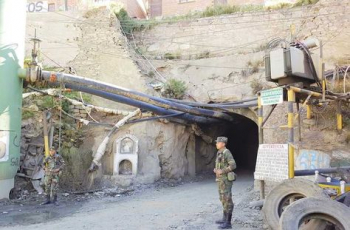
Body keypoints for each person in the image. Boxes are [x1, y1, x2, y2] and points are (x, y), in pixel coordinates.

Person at [213, 136, 236, 229]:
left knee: (227, 200)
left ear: (223, 144)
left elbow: (233, 165)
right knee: (222, 199)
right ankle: (224, 219)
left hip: (226, 180)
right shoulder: (219, 152)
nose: (216, 144)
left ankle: (228, 223)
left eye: (218, 142)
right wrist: (216, 170)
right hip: (220, 180)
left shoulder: (226, 152)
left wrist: (222, 171)